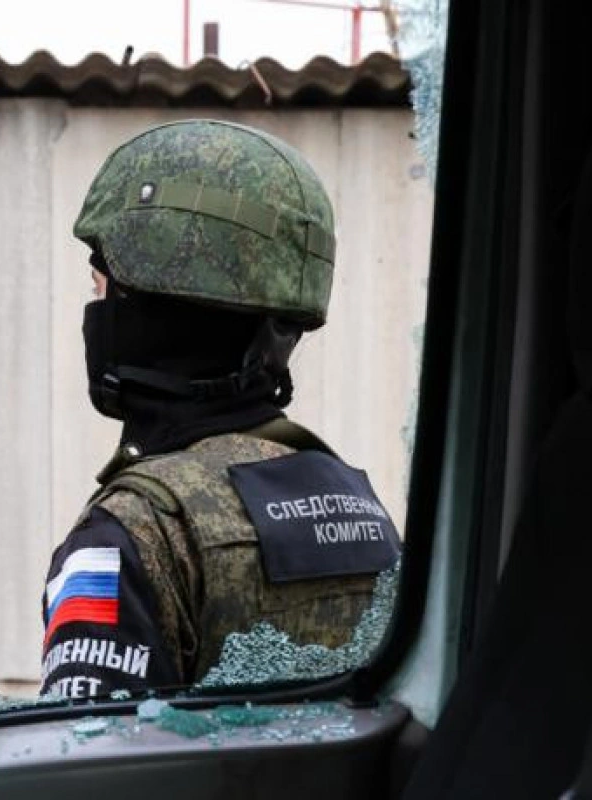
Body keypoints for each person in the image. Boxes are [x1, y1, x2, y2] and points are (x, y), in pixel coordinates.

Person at [39, 120, 401, 700]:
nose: (94, 310)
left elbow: (83, 750)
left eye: (99, 287)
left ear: (151, 302)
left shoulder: (128, 535)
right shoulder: (355, 503)